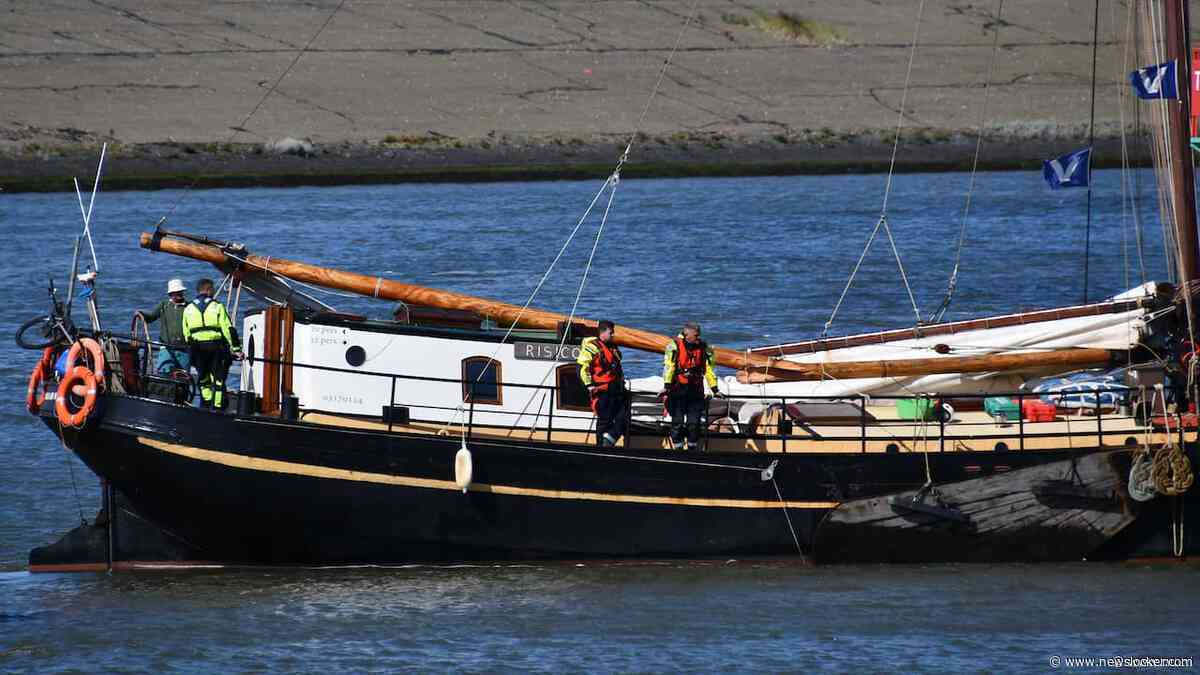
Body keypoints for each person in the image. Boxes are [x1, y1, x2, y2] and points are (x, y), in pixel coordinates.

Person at [182, 278, 242, 409]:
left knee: (203, 378)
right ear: (208, 290)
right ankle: (218, 406)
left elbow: (186, 334)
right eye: (213, 289)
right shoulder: (217, 306)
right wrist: (236, 348)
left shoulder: (188, 309)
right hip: (215, 348)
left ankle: (206, 403)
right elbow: (228, 329)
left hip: (197, 349)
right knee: (218, 379)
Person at [660, 321, 718, 451]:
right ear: (687, 334)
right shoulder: (674, 346)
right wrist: (667, 385)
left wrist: (715, 388)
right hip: (678, 389)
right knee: (677, 422)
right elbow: (669, 367)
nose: (698, 338)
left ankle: (692, 447)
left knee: (694, 423)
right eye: (696, 335)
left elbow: (709, 369)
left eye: (699, 335)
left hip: (695, 389)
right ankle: (678, 448)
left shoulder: (704, 348)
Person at [577, 320, 628, 447]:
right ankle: (601, 448)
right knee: (604, 421)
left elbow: (617, 367)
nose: (613, 335)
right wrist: (589, 385)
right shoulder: (592, 347)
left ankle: (609, 441)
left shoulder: (613, 347)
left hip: (616, 389)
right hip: (602, 390)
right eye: (611, 332)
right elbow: (582, 367)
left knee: (624, 418)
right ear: (603, 332)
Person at [140, 278, 190, 374]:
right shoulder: (164, 305)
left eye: (180, 292)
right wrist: (142, 314)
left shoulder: (189, 307)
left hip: (184, 349)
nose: (178, 294)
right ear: (170, 294)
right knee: (164, 373)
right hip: (166, 347)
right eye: (175, 292)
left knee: (183, 377)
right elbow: (151, 317)